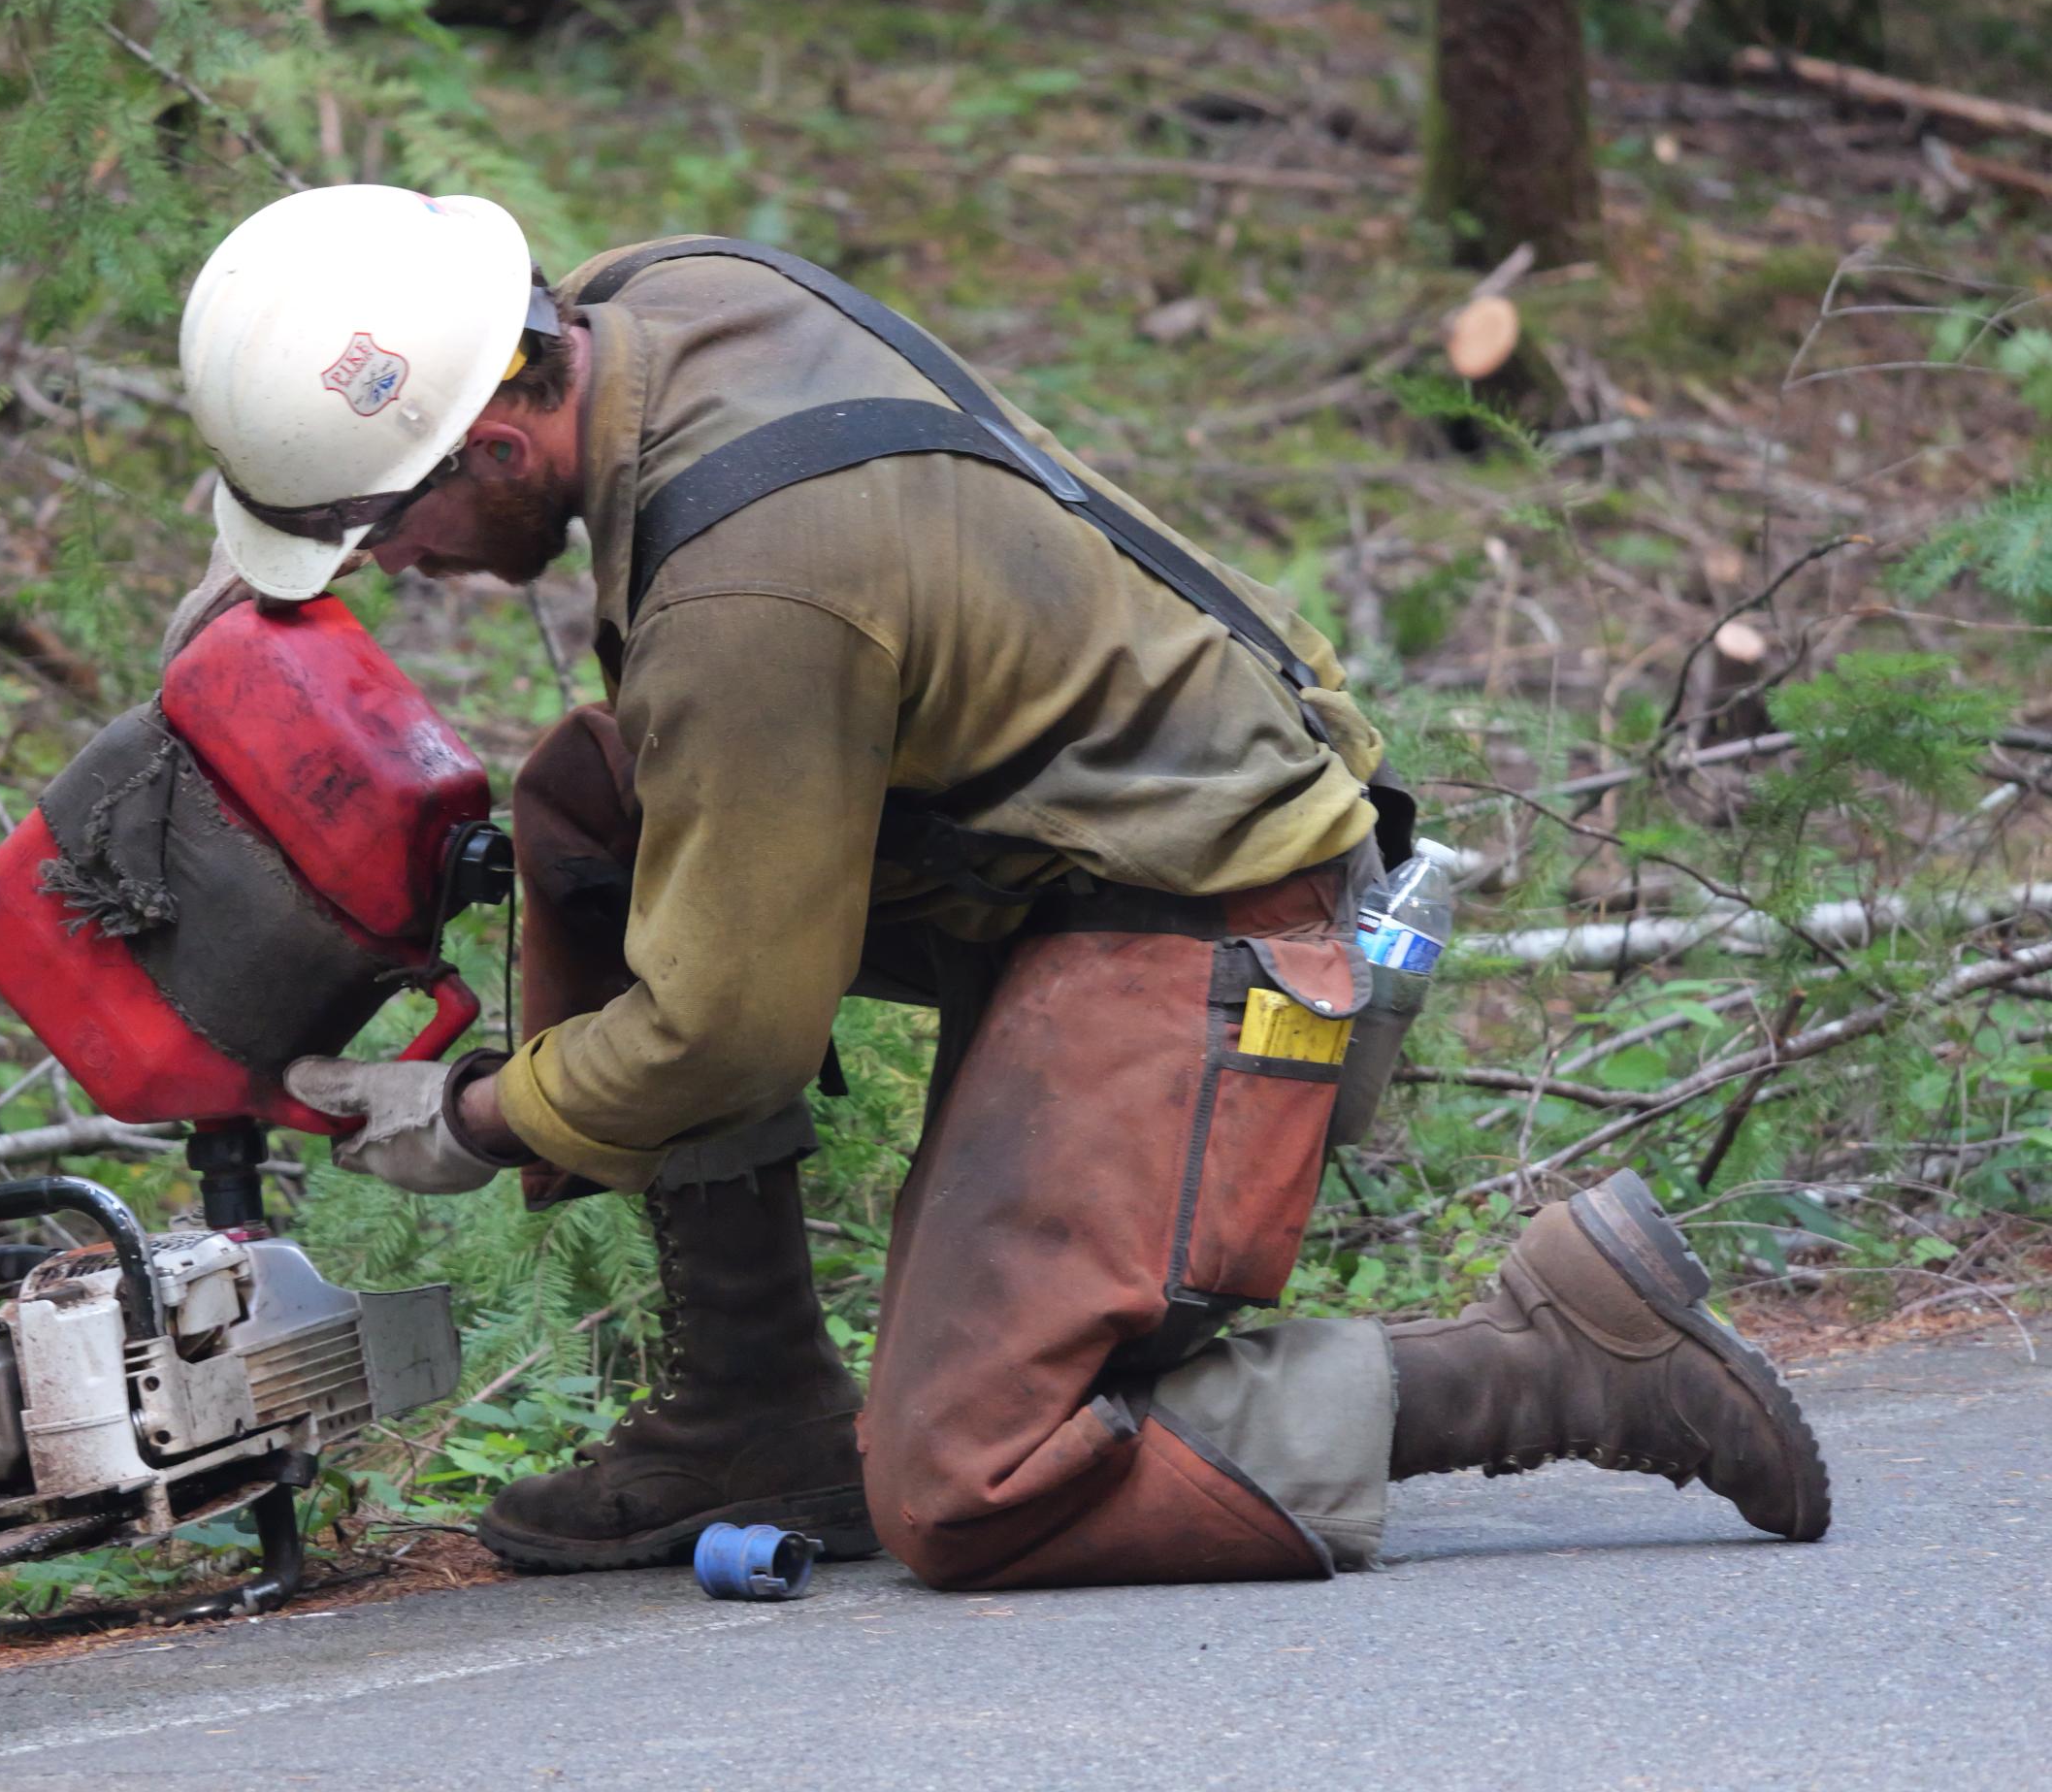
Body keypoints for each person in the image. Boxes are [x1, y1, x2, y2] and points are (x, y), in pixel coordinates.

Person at [169, 184, 1829, 1588]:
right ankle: (755, 1410)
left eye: (382, 526)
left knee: (971, 1480)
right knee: (596, 806)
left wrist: (473, 1120)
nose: (396, 568)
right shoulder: (652, 305)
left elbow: (721, 1036)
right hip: (1056, 836)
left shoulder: (754, 596)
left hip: (1207, 903)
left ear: (498, 436)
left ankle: (1556, 1365)